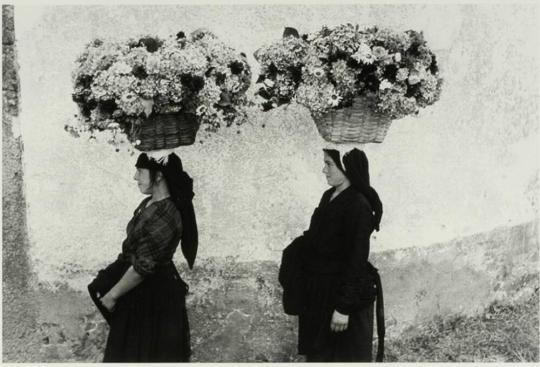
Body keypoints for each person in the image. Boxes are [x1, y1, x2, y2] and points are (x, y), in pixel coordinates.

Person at [88, 152, 198, 362]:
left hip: (154, 297)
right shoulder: (149, 203)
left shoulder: (167, 213)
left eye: (139, 171)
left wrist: (112, 296)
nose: (135, 177)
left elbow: (143, 267)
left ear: (158, 176)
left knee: (147, 353)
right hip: (138, 293)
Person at [292, 148, 384, 362]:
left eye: (329, 164)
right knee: (319, 355)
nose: (324, 170)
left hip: (343, 296)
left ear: (346, 168)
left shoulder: (359, 205)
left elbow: (357, 260)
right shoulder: (330, 196)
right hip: (321, 292)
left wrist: (343, 308)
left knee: (344, 357)